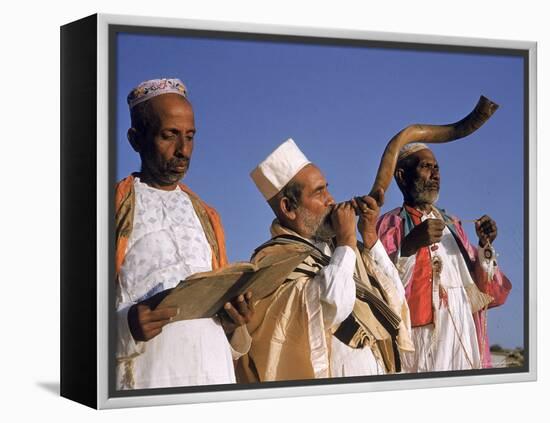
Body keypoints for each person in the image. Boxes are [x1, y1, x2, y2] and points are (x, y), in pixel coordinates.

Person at [115, 78, 253, 389]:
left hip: (214, 374)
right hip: (150, 379)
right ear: (136, 139)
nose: (183, 150)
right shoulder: (109, 208)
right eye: (169, 136)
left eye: (190, 137)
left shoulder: (207, 215)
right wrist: (125, 326)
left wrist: (233, 321)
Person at [237, 138, 413, 382]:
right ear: (288, 207)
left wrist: (369, 235)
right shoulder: (273, 262)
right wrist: (347, 242)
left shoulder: (341, 251)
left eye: (327, 189)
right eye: (319, 192)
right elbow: (332, 307)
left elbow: (395, 297)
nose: (331, 199)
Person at [377, 143, 512, 372]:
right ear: (401, 176)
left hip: (463, 327)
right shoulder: (390, 225)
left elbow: (482, 288)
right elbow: (380, 285)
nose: (435, 174)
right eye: (426, 167)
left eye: (437, 168)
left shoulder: (453, 225)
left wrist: (483, 245)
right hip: (421, 335)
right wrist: (409, 245)